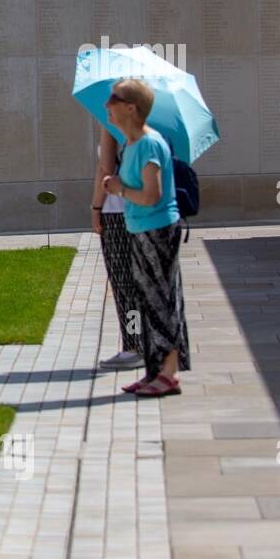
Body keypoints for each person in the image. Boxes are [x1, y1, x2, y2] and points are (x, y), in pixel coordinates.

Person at [101, 78, 190, 397]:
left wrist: (120, 189)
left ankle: (168, 374)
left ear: (131, 107)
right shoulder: (131, 144)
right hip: (140, 230)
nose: (106, 105)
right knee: (146, 300)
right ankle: (154, 372)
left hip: (157, 231)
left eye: (113, 99)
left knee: (161, 301)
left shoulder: (151, 144)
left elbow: (152, 195)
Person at [91, 128, 142, 370]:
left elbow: (104, 171)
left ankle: (133, 346)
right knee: (138, 283)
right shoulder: (144, 130)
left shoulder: (111, 129)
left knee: (123, 284)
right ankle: (143, 344)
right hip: (140, 213)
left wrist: (95, 209)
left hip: (116, 213)